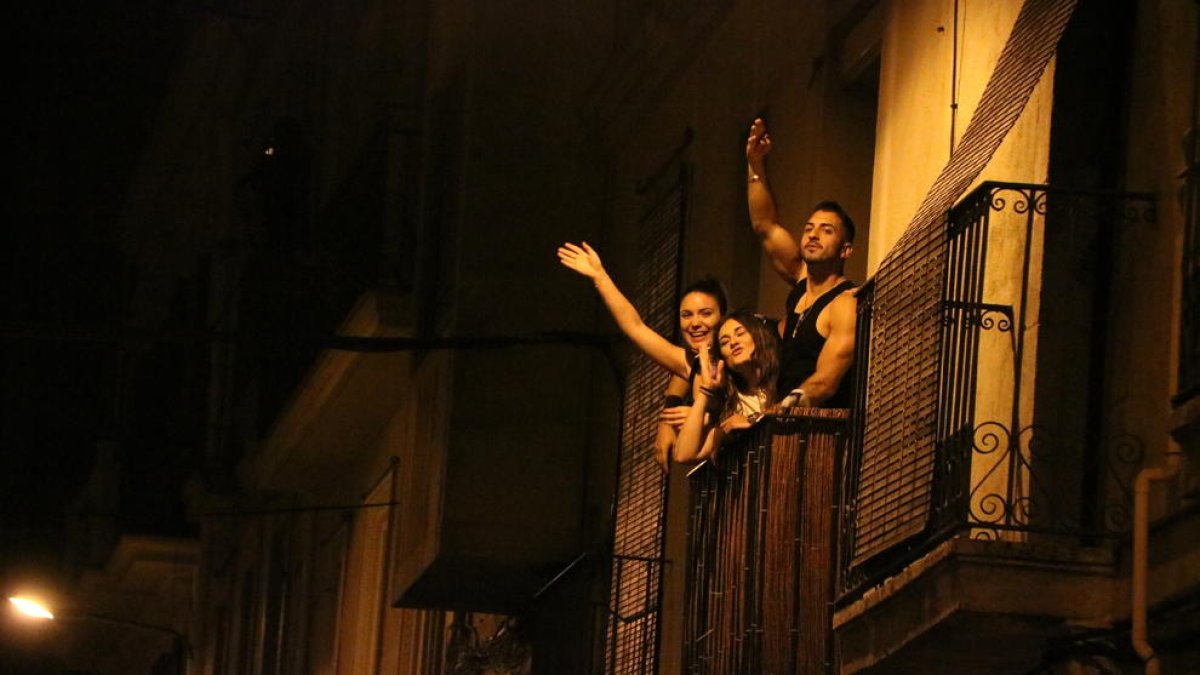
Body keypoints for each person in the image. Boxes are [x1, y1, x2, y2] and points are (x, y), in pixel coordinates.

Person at [557, 242, 727, 469]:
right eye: (686, 315)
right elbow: (635, 327)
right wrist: (600, 278)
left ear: (724, 317)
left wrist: (704, 418)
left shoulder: (735, 356)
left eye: (705, 314)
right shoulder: (688, 363)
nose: (695, 323)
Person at [745, 117, 857, 409]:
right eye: (809, 228)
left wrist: (783, 408)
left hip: (818, 431)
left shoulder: (845, 303)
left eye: (826, 230)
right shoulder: (801, 280)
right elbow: (764, 226)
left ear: (845, 251)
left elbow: (825, 381)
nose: (814, 235)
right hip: (784, 426)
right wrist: (755, 164)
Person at [673, 311, 781, 463]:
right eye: (724, 342)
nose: (733, 342)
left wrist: (752, 421)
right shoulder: (730, 405)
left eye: (740, 333)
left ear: (758, 336)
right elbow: (683, 454)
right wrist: (705, 390)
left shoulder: (783, 380)